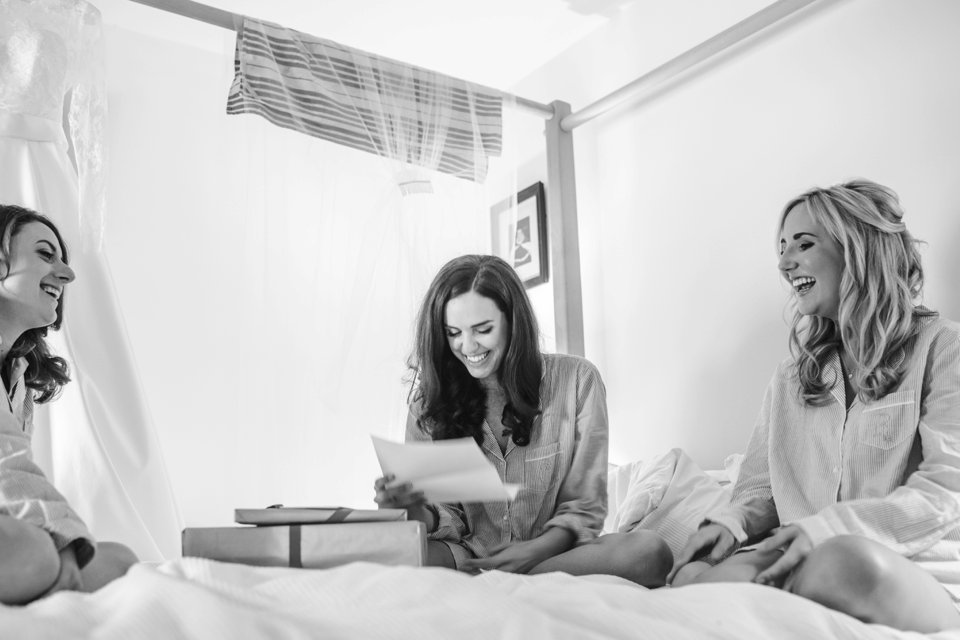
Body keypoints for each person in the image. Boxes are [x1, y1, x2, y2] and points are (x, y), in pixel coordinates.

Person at [668, 180, 960, 632]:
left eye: (804, 244)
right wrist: (731, 524)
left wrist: (826, 530)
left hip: (918, 569)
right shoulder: (790, 379)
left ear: (859, 250)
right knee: (690, 580)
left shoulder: (944, 348)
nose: (785, 264)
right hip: (801, 557)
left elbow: (946, 493)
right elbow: (759, 490)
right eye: (782, 249)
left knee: (842, 561)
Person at [375, 254, 671, 586]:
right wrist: (410, 509)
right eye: (453, 332)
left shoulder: (578, 381)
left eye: (483, 329)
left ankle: (512, 579)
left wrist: (534, 551)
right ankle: (500, 579)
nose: (467, 345)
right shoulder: (428, 404)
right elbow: (444, 519)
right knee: (376, 555)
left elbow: (583, 506)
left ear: (513, 322)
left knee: (650, 552)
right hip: (466, 555)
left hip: (554, 556)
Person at [0, 205, 137, 605]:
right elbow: (9, 467)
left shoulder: (18, 378)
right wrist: (62, 547)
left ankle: (44, 576)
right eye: (45, 254)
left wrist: (65, 547)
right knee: (37, 553)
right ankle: (45, 573)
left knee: (119, 562)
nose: (67, 273)